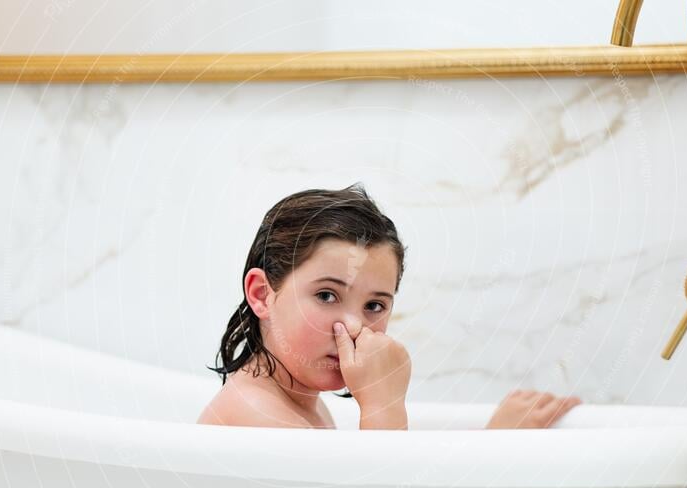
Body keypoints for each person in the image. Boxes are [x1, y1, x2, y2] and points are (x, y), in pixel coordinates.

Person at [197, 183, 581, 430]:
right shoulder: (255, 413)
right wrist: (383, 401)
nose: (353, 326)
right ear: (262, 294)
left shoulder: (301, 405)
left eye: (375, 305)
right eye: (327, 295)